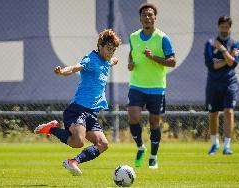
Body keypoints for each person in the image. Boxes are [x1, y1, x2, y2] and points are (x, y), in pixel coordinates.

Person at [34, 29, 121, 176]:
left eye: (113, 50)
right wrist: (62, 71)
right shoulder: (90, 59)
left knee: (103, 144)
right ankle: (51, 129)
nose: (110, 53)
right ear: (100, 45)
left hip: (91, 113)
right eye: (108, 49)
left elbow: (112, 60)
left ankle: (73, 162)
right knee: (78, 142)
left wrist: (114, 60)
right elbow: (75, 68)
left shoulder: (107, 60)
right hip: (77, 109)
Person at [127, 3, 176, 169]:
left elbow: (172, 61)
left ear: (155, 18)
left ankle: (153, 157)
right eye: (144, 15)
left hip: (156, 87)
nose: (147, 18)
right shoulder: (133, 37)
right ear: (140, 18)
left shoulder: (163, 38)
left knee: (154, 123)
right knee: (133, 118)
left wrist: (153, 57)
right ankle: (140, 147)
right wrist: (130, 63)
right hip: (136, 86)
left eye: (150, 15)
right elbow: (131, 53)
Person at [204, 16, 239, 155]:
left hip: (229, 83)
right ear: (218, 27)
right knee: (213, 114)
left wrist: (223, 51)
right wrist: (228, 57)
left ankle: (227, 146)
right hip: (213, 84)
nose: (224, 29)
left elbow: (234, 63)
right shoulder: (210, 43)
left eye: (227, 27)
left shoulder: (235, 44)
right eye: (222, 27)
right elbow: (211, 65)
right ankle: (215, 144)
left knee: (228, 112)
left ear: (230, 28)